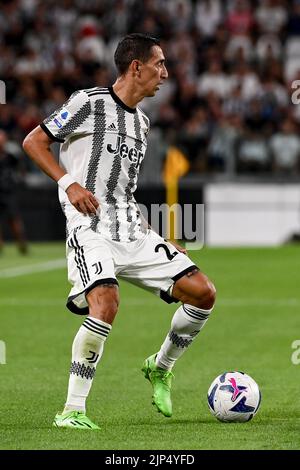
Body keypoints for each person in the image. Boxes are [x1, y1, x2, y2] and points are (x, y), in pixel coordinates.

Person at [23, 33, 216, 430]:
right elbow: (34, 142)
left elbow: (123, 190)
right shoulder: (87, 103)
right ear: (136, 67)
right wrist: (69, 184)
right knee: (106, 303)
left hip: (131, 229)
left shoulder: (142, 123)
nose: (165, 73)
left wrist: (157, 233)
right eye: (159, 64)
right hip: (88, 225)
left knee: (203, 294)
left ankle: (160, 368)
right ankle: (72, 411)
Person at [0, 130, 28, 255]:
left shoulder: (11, 156)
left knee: (14, 219)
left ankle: (22, 243)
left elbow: (21, 168)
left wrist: (20, 179)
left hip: (8, 192)